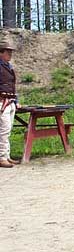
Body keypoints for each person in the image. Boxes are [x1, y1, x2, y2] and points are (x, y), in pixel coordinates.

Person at [0, 36, 20, 169]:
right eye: (7, 51)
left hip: (10, 101)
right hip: (2, 101)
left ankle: (6, 156)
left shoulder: (8, 66)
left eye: (10, 52)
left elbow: (11, 85)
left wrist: (16, 101)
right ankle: (1, 157)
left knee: (8, 130)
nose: (10, 54)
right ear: (1, 52)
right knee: (4, 130)